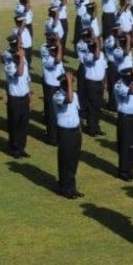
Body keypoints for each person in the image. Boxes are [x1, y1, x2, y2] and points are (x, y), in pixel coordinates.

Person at [53, 71, 84, 199]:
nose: (71, 84)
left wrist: (80, 131)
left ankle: (72, 187)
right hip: (64, 132)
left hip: (75, 131)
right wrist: (69, 83)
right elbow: (69, 99)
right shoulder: (57, 95)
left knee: (73, 160)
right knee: (65, 160)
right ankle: (64, 188)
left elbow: (76, 113)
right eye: (69, 82)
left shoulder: (75, 95)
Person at [4, 35, 30, 159]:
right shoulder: (9, 62)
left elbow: (26, 77)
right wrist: (21, 58)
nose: (18, 50)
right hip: (14, 98)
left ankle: (22, 147)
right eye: (16, 48)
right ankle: (14, 149)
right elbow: (19, 73)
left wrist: (29, 93)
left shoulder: (22, 59)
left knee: (23, 124)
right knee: (14, 124)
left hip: (24, 96)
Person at [114, 68, 133, 180]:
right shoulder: (119, 85)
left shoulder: (131, 82)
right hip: (124, 118)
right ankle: (123, 171)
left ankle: (130, 169)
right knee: (125, 145)